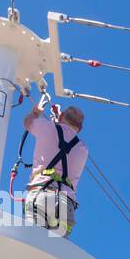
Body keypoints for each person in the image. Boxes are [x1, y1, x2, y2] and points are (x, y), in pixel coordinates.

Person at [21, 101, 88, 237]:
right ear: (80, 128)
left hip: (41, 193)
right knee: (54, 252)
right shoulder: (83, 149)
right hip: (65, 204)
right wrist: (58, 122)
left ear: (62, 115)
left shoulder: (47, 127)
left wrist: (36, 113)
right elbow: (65, 136)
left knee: (33, 245)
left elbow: (28, 122)